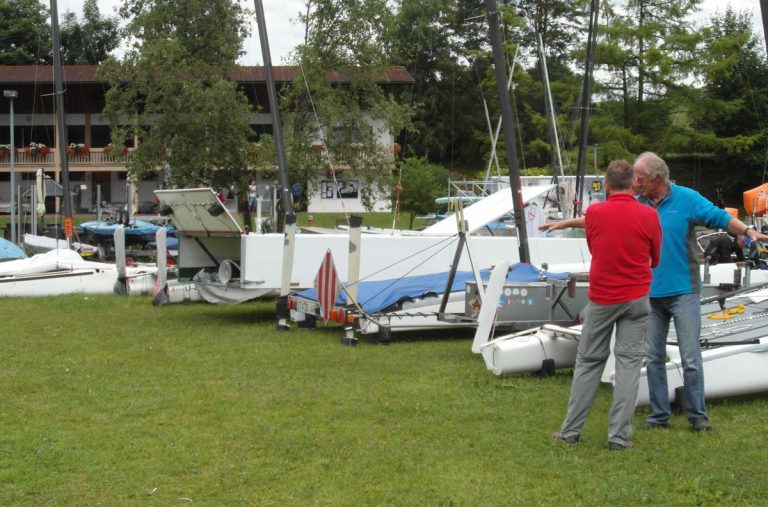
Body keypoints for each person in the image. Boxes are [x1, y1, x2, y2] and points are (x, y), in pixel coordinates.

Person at [542, 152, 768, 432]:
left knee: (690, 357)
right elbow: (605, 218)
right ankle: (659, 416)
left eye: (640, 178)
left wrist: (748, 230)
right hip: (648, 294)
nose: (635, 183)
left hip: (683, 290)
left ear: (656, 178)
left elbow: (719, 217)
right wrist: (566, 223)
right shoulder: (639, 203)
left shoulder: (687, 199)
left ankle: (698, 416)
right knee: (653, 356)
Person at [552, 160, 662, 450]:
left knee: (588, 362)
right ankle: (619, 437)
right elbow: (655, 258)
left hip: (603, 297)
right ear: (634, 184)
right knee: (628, 364)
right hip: (637, 298)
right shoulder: (649, 215)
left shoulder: (596, 213)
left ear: (607, 185)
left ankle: (571, 431)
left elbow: (593, 246)